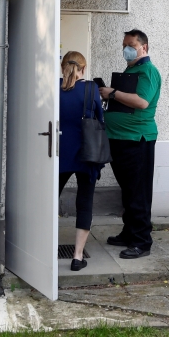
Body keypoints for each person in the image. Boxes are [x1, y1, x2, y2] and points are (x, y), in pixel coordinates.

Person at [99, 29, 161, 259]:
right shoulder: (132, 69)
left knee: (138, 193)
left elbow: (141, 102)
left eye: (131, 45)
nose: (126, 48)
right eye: (124, 44)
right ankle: (129, 232)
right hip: (120, 139)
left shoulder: (148, 71)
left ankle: (142, 241)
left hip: (137, 140)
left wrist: (112, 93)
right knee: (127, 192)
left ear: (144, 47)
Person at [58, 51, 105, 271]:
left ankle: (43, 250)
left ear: (62, 67)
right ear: (83, 69)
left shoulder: (52, 88)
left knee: (49, 202)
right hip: (87, 154)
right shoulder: (90, 89)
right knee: (84, 203)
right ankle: (77, 257)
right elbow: (100, 118)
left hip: (57, 153)